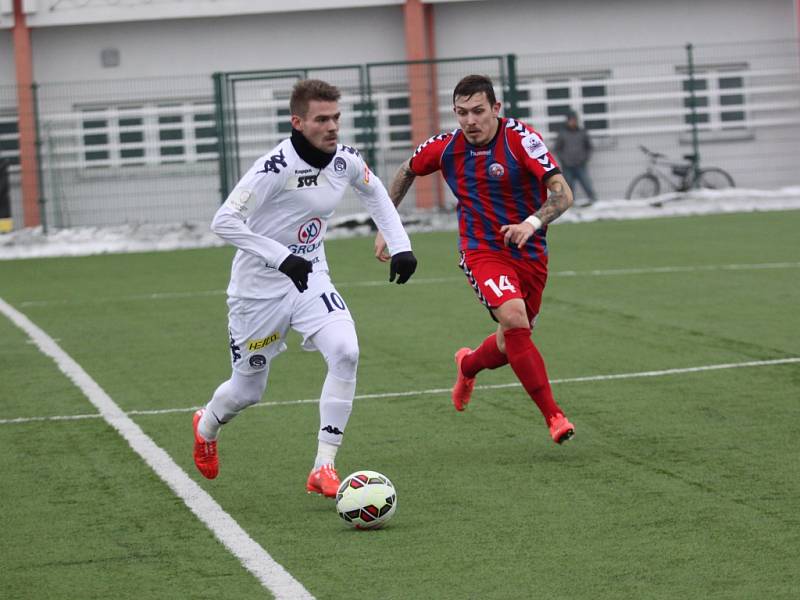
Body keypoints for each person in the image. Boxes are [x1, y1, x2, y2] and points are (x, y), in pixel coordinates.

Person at [194, 79, 418, 497]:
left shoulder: (345, 160)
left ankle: (324, 466)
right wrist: (281, 256)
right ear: (297, 122)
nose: (332, 126)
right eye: (321, 119)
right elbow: (224, 221)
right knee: (247, 390)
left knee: (346, 352)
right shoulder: (273, 168)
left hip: (311, 277)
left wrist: (400, 244)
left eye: (336, 117)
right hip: (258, 290)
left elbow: (375, 194)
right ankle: (206, 425)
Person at [375, 74, 575, 444]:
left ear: (496, 109)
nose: (470, 120)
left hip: (529, 251)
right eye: (461, 112)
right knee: (514, 317)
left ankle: (467, 365)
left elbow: (563, 195)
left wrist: (530, 224)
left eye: (478, 111)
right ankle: (554, 416)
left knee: (511, 339)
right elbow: (406, 171)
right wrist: (389, 226)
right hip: (481, 249)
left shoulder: (521, 141)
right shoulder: (447, 147)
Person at [554, 109, 597, 206]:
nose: (573, 122)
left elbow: (589, 147)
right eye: (571, 120)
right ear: (567, 121)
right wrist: (564, 160)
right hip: (567, 166)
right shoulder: (562, 133)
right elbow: (557, 149)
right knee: (568, 187)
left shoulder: (582, 132)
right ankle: (569, 205)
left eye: (575, 120)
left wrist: (585, 158)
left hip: (581, 165)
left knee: (587, 185)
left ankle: (594, 202)